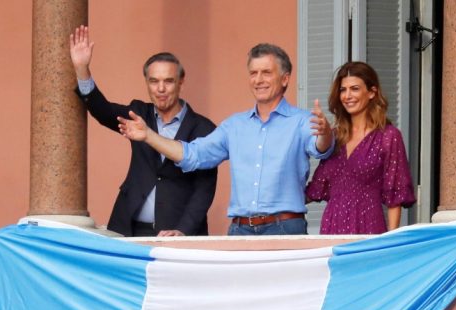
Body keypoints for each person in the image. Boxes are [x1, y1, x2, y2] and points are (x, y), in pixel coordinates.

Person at [117, 43, 334, 235]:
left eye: (266, 72)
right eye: (253, 73)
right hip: (241, 230)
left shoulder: (302, 120)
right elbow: (193, 155)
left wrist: (325, 133)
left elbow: (321, 147)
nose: (258, 80)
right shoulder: (234, 125)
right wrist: (149, 136)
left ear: (285, 78)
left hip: (285, 228)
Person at [69, 26, 217, 237]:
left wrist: (183, 230)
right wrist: (82, 69)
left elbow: (204, 191)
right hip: (128, 227)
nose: (161, 89)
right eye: (154, 81)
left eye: (168, 81)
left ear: (181, 82)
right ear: (147, 83)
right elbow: (102, 110)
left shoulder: (204, 128)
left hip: (174, 233)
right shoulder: (139, 113)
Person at [305, 62, 415, 234]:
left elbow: (395, 196)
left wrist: (391, 242)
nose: (347, 96)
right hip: (331, 228)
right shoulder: (335, 137)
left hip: (368, 227)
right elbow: (316, 189)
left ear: (372, 92)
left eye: (354, 88)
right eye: (343, 90)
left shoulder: (388, 136)